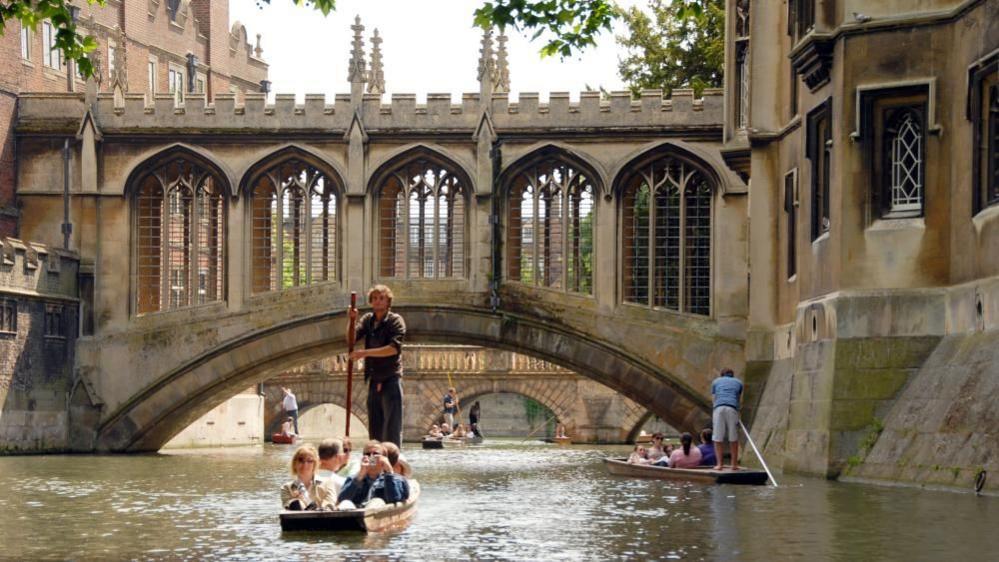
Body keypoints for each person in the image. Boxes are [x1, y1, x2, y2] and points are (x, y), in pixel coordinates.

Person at [349, 285, 406, 447]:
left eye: (381, 298)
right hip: (374, 380)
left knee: (392, 428)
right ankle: (375, 461)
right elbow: (351, 340)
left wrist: (365, 353)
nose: (377, 301)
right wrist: (351, 320)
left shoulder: (395, 320)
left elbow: (393, 349)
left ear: (388, 301)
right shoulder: (368, 320)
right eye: (374, 298)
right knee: (375, 430)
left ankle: (392, 463)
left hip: (391, 379)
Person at [337, 441, 409, 508]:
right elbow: (342, 499)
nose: (371, 457)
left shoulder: (397, 479)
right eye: (367, 454)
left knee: (377, 501)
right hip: (354, 515)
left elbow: (395, 499)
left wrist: (389, 471)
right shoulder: (353, 479)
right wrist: (360, 476)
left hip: (378, 514)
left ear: (384, 458)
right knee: (345, 503)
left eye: (375, 454)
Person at [280, 445, 335, 511]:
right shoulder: (286, 488)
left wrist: (320, 508)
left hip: (323, 518)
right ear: (294, 463)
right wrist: (297, 502)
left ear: (315, 464)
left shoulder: (327, 483)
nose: (305, 464)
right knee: (296, 503)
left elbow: (330, 504)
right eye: (301, 460)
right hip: (298, 520)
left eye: (309, 461)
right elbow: (289, 507)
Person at [711, 367, 743, 470]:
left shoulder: (716, 381)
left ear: (722, 374)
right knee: (733, 438)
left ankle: (719, 464)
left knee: (717, 438)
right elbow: (738, 399)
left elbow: (714, 398)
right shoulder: (739, 382)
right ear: (732, 374)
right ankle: (734, 465)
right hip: (732, 408)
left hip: (719, 408)